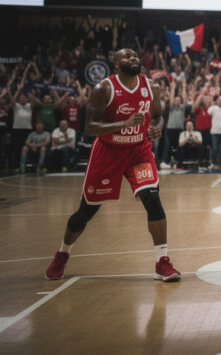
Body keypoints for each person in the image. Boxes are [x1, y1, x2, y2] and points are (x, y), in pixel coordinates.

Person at [44, 48, 180, 282]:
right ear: (116, 64)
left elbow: (157, 115)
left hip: (139, 151)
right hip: (108, 153)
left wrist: (155, 127)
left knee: (152, 198)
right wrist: (123, 123)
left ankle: (162, 262)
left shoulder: (151, 87)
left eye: (135, 55)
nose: (133, 58)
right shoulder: (103, 89)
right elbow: (90, 127)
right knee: (86, 212)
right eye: (126, 57)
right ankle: (62, 253)